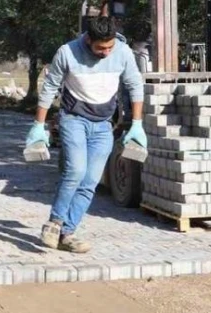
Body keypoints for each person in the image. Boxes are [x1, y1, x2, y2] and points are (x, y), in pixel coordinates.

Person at [27, 17, 145, 253]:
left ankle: (67, 233)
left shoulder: (122, 53)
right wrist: (38, 125)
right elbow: (50, 87)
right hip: (74, 120)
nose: (106, 52)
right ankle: (55, 222)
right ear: (88, 39)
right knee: (75, 171)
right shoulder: (67, 53)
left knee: (90, 181)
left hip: (103, 125)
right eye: (101, 48)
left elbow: (134, 85)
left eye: (110, 47)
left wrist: (137, 124)